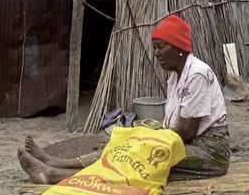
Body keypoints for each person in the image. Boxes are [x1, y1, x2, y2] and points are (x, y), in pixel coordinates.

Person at [17, 14, 230, 183]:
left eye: (161, 47)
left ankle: (53, 175)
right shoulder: (177, 76)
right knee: (124, 145)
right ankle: (57, 162)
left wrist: (147, 141)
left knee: (136, 159)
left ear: (180, 48)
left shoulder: (197, 75)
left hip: (208, 152)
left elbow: (186, 133)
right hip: (183, 141)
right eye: (154, 47)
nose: (156, 53)